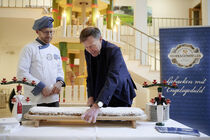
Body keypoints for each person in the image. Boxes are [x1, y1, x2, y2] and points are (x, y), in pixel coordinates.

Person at [80, 27, 137, 123]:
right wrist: (91, 96)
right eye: (86, 47)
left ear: (100, 39)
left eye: (92, 46)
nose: (90, 50)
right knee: (100, 121)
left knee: (117, 124)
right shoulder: (88, 52)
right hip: (103, 89)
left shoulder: (114, 51)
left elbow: (112, 79)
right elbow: (90, 76)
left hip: (120, 92)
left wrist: (97, 105)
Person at [17, 16, 65, 107]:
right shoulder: (29, 49)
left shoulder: (55, 50)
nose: (50, 35)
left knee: (53, 121)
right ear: (37, 32)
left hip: (53, 98)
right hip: (35, 99)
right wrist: (41, 86)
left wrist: (60, 82)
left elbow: (59, 70)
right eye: (46, 32)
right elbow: (21, 73)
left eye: (51, 32)